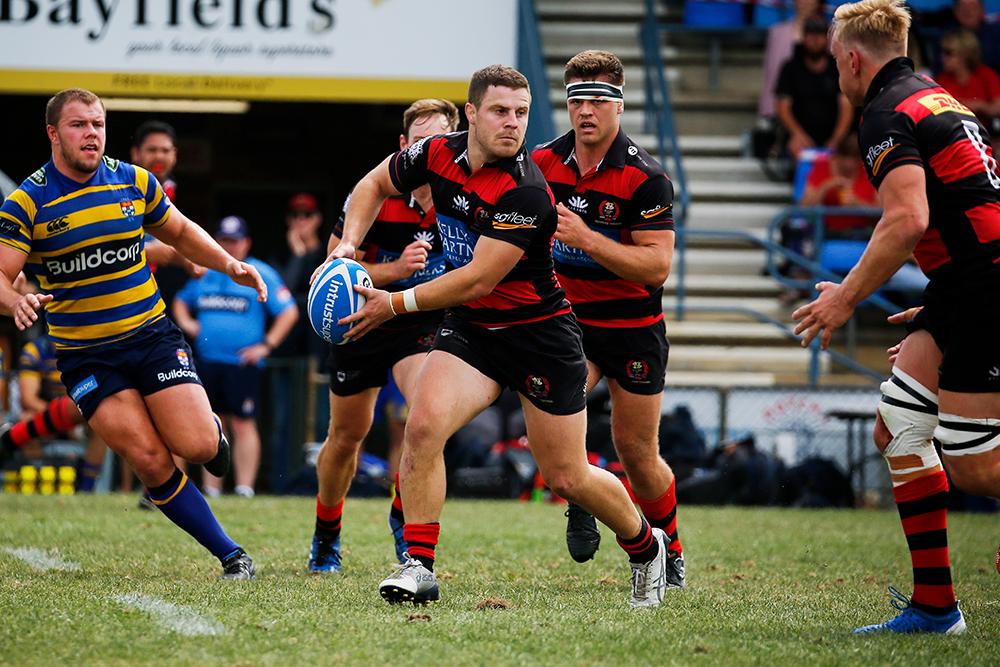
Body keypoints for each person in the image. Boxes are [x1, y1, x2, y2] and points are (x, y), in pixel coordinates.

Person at [323, 65, 672, 608]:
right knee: (422, 428)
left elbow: (477, 277)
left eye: (522, 113)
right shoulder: (436, 152)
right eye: (500, 111)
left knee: (565, 475)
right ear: (471, 114)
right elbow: (372, 184)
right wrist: (348, 246)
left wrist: (392, 302)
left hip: (539, 335)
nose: (513, 124)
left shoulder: (527, 189)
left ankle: (645, 546)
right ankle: (418, 565)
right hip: (474, 329)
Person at [792, 0, 1000, 634]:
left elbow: (907, 220)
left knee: (973, 467)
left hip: (982, 290)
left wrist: (845, 296)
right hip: (968, 285)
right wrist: (943, 290)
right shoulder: (935, 98)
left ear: (853, 58)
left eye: (834, 63)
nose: (836, 76)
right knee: (898, 430)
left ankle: (937, 608)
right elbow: (970, 202)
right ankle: (936, 608)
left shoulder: (885, 111)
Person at [0, 88, 266, 579]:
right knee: (148, 458)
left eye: (98, 124)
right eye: (79, 125)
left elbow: (181, 234)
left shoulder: (133, 180)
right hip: (87, 356)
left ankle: (213, 435)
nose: (92, 134)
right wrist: (17, 300)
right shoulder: (27, 201)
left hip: (150, 337)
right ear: (53, 133)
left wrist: (229, 264)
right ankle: (231, 554)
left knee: (200, 448)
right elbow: (1, 273)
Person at [530, 50, 685, 587]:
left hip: (633, 330)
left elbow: (656, 267)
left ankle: (673, 550)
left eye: (598, 99)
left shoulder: (647, 178)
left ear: (620, 106)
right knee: (553, 435)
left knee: (639, 453)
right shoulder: (542, 164)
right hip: (569, 326)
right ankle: (585, 491)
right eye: (577, 100)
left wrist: (587, 239)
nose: (586, 110)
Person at [307, 98, 458, 573]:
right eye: (419, 142)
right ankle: (326, 534)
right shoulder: (379, 192)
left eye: (438, 141)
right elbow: (331, 265)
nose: (428, 150)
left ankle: (404, 515)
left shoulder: (465, 196)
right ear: (403, 146)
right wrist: (394, 269)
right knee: (347, 436)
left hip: (420, 320)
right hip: (362, 321)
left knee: (428, 417)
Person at [173, 216, 298, 498]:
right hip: (206, 361)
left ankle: (244, 488)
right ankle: (212, 488)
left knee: (242, 423)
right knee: (210, 422)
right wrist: (188, 323)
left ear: (246, 243)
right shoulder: (205, 271)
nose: (229, 246)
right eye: (224, 240)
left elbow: (288, 311)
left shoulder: (261, 273)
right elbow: (181, 300)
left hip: (242, 363)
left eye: (234, 241)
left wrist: (266, 346)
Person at [776, 14, 855, 158]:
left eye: (819, 35)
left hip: (836, 133)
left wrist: (835, 141)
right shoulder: (790, 68)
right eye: (811, 35)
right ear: (804, 37)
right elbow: (783, 107)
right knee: (795, 147)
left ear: (827, 39)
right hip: (802, 133)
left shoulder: (838, 68)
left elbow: (846, 107)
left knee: (853, 146)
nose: (815, 40)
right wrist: (798, 134)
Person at [278, 192, 327, 361]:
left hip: (320, 346)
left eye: (307, 215)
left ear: (317, 219)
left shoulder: (329, 253)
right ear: (288, 220)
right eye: (295, 215)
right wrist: (298, 255)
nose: (301, 220)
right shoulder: (280, 256)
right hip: (287, 348)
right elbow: (284, 292)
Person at [935, 29, 1000, 128]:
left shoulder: (986, 75)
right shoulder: (941, 80)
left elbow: (997, 108)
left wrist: (980, 106)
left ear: (965, 54)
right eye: (942, 52)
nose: (942, 57)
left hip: (986, 134)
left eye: (948, 53)